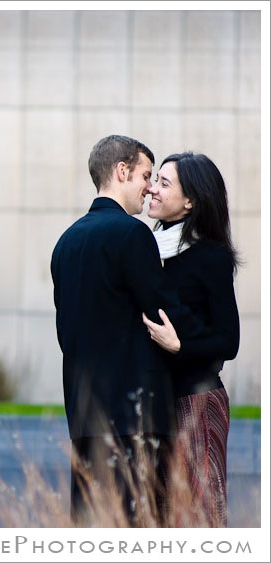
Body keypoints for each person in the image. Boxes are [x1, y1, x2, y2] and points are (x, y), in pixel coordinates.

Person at [50, 134, 204, 527]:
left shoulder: (65, 243)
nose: (150, 187)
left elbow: (66, 332)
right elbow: (163, 312)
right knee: (140, 533)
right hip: (136, 421)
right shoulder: (132, 235)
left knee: (90, 534)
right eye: (145, 175)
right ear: (121, 171)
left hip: (84, 418)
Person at [142, 152, 240, 527]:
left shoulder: (210, 257)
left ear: (190, 201)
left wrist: (179, 347)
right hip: (157, 403)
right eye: (155, 180)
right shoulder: (148, 250)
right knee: (162, 518)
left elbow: (228, 342)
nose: (152, 188)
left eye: (164, 183)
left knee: (199, 519)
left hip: (197, 403)